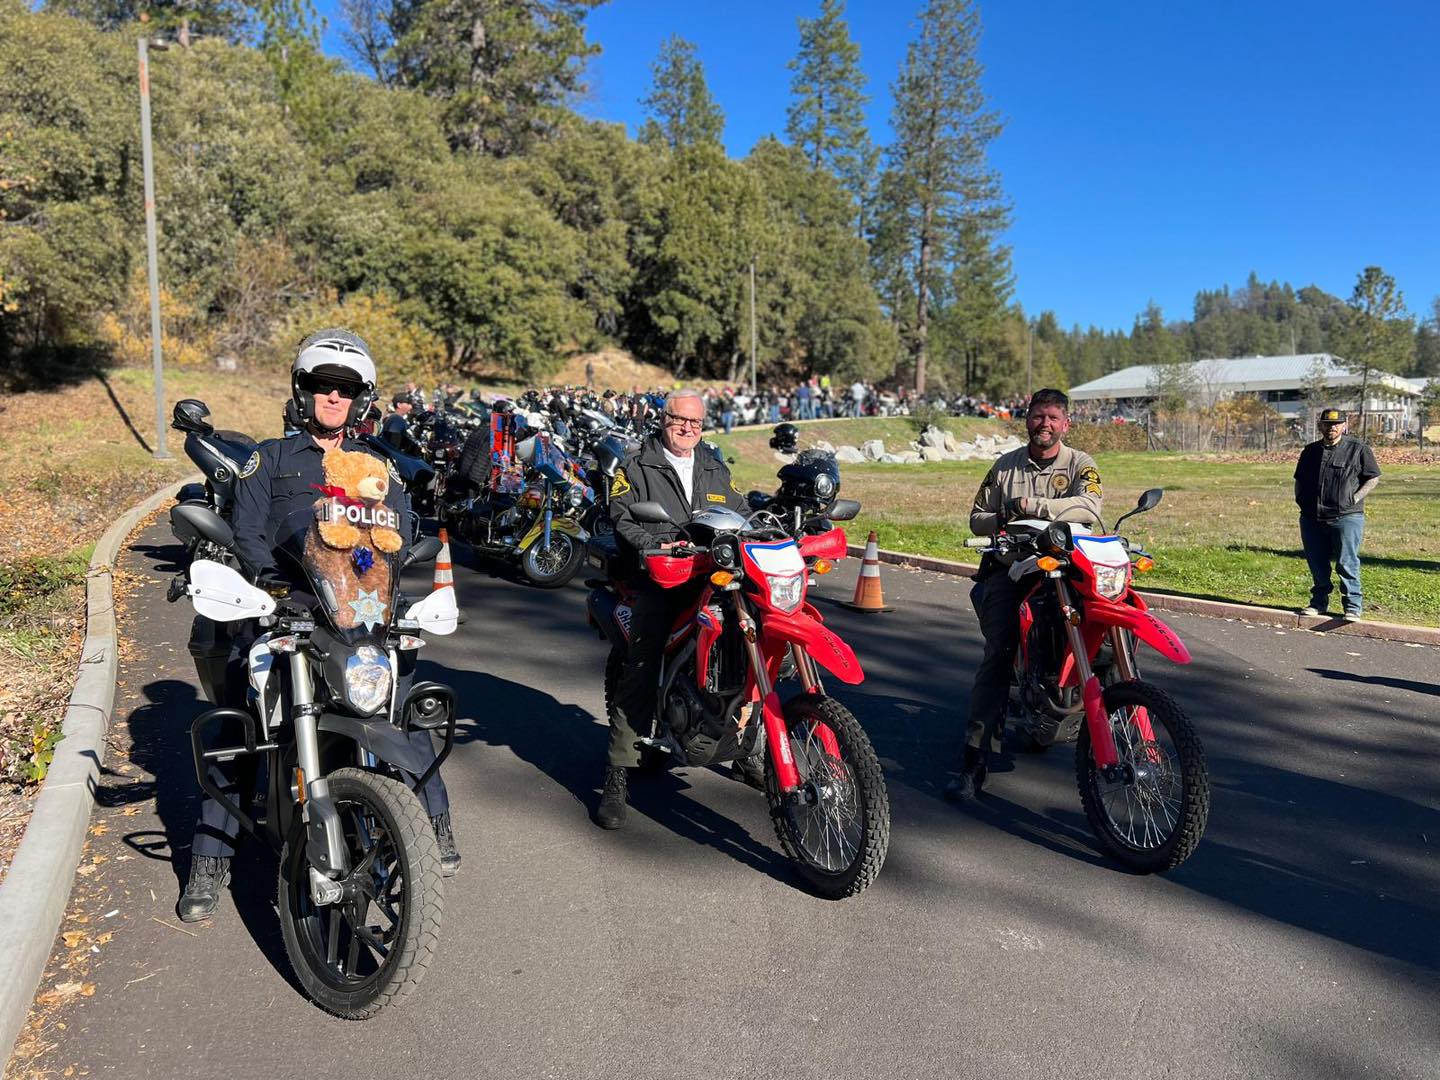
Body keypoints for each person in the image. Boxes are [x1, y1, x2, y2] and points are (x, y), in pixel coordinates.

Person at [177, 329, 461, 923]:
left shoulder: (380, 464)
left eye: (346, 389)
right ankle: (210, 860)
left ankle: (432, 830)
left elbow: (403, 534)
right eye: (321, 386)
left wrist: (393, 571)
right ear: (301, 391)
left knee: (404, 713)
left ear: (361, 398)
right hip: (288, 609)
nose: (333, 397)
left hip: (361, 617)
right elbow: (246, 531)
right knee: (241, 729)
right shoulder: (271, 458)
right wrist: (268, 584)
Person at [598, 389, 751, 829]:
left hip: (712, 575)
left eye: (696, 423)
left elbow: (740, 509)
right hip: (660, 577)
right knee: (642, 666)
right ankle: (616, 773)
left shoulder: (713, 464)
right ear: (663, 419)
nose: (687, 428)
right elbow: (623, 516)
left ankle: (748, 750)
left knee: (748, 645)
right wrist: (656, 546)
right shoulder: (636, 463)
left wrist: (762, 524)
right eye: (679, 420)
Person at [945, 388, 1103, 802]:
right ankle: (973, 760)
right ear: (1027, 419)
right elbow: (976, 518)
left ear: (1066, 423)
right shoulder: (1006, 467)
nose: (1044, 424)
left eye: (1053, 417)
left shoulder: (1080, 464)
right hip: (1013, 567)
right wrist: (1004, 515)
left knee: (1101, 631)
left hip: (1068, 567)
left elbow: (1090, 507)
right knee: (998, 653)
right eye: (1037, 416)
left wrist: (1038, 507)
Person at [1294, 408, 1380, 620]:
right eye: (1327, 424)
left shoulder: (1358, 449)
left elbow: (1373, 477)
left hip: (1346, 516)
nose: (1331, 427)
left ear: (1344, 425)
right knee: (1317, 562)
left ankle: (1352, 606)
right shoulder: (1310, 451)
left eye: (1336, 424)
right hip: (1312, 517)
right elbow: (1299, 479)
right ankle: (1318, 603)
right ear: (1320, 426)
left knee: (1346, 562)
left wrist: (1356, 497)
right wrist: (1300, 500)